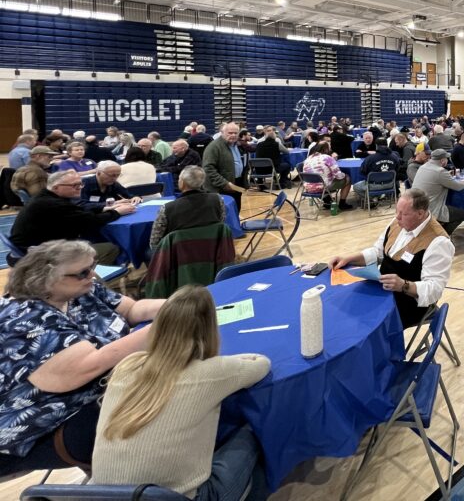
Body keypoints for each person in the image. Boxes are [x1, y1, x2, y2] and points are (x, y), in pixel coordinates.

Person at [0, 241, 164, 476]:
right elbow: (84, 368)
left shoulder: (82, 290)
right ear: (46, 280)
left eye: (92, 266)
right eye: (83, 272)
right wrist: (165, 327)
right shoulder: (24, 318)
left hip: (103, 392)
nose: (92, 275)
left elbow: (131, 310)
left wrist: (172, 306)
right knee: (162, 404)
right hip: (45, 426)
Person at [91, 285, 269, 500]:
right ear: (209, 330)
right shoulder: (213, 372)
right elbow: (262, 364)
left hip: (103, 496)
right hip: (183, 497)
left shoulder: (127, 365)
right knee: (254, 428)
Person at [329, 189, 454, 328]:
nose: (397, 217)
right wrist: (348, 259)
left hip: (407, 302)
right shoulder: (397, 222)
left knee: (360, 323)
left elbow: (434, 290)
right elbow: (378, 251)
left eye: (404, 214)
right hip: (382, 289)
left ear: (420, 214)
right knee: (345, 304)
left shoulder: (438, 242)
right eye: (397, 211)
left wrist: (404, 285)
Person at [10, 171, 134, 263]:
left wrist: (105, 208)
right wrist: (117, 212)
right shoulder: (53, 204)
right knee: (113, 247)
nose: (80, 188)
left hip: (32, 247)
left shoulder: (46, 197)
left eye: (80, 184)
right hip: (38, 255)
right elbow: (91, 222)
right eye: (75, 186)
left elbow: (78, 213)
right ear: (56, 188)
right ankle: (85, 282)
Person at [149, 166, 227, 251]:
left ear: (182, 183)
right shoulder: (218, 200)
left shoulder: (167, 209)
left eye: (179, 179)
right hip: (212, 251)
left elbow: (154, 244)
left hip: (179, 257)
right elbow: (220, 224)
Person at [412, 149, 464, 234]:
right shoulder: (440, 171)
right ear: (442, 161)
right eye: (447, 159)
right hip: (432, 209)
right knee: (462, 214)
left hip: (417, 206)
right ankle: (442, 235)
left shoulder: (423, 167)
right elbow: (459, 187)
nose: (448, 161)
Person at [202, 123, 246, 211]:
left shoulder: (236, 145)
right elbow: (208, 168)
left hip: (236, 185)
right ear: (222, 132)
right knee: (225, 215)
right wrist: (224, 183)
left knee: (236, 211)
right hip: (221, 189)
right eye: (230, 133)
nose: (233, 135)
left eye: (235, 133)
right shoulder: (214, 146)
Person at [303, 143, 352, 210]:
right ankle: (342, 204)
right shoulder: (327, 158)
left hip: (308, 188)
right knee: (348, 178)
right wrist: (344, 175)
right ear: (326, 149)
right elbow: (339, 176)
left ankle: (328, 200)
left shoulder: (308, 159)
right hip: (323, 188)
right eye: (329, 148)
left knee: (325, 180)